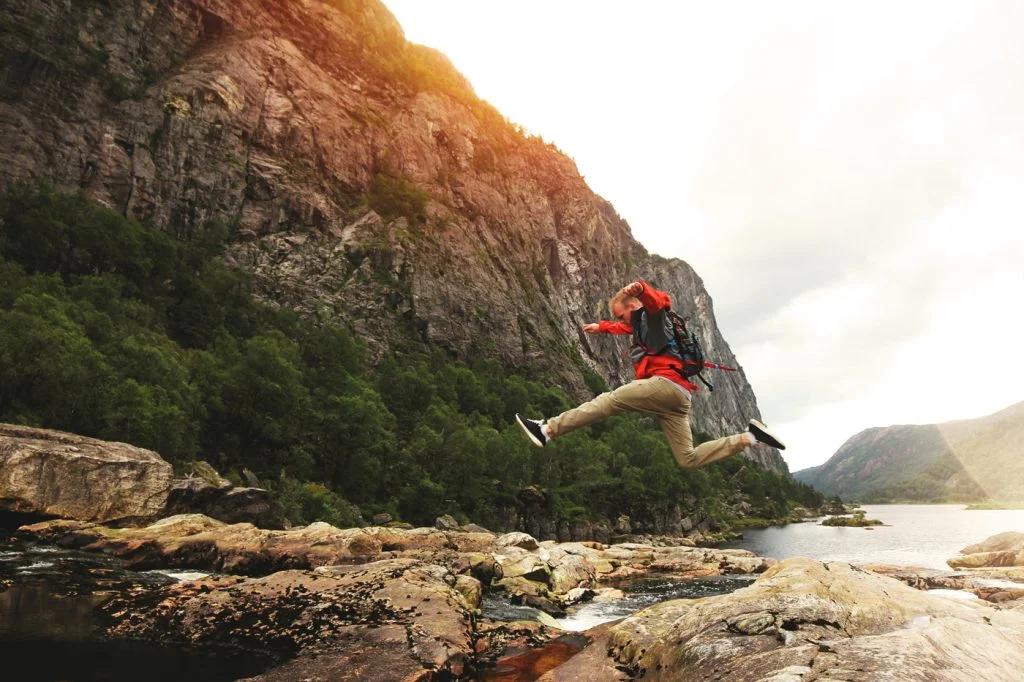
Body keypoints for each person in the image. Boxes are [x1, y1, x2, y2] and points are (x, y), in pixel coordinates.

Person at [515, 280, 785, 469]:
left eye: (623, 315)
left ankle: (547, 429)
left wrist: (642, 289)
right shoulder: (640, 327)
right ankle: (749, 438)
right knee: (687, 459)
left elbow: (656, 305)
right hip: (678, 398)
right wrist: (603, 327)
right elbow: (626, 328)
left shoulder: (652, 319)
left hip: (665, 385)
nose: (622, 322)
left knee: (608, 401)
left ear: (634, 306)